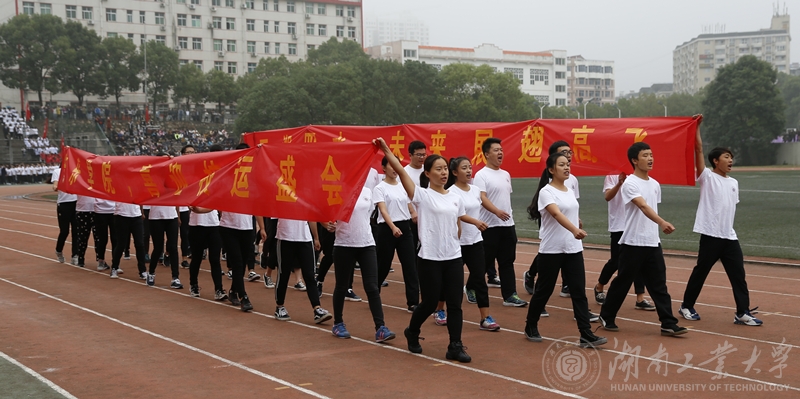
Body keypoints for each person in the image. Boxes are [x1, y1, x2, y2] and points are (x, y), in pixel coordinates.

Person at [376, 137, 471, 363]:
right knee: (429, 302)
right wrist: (386, 149)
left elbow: (457, 224)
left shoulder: (456, 198)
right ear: (427, 174)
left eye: (445, 168)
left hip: (453, 257)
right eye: (438, 169)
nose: (444, 172)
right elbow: (399, 169)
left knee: (455, 303)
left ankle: (455, 345)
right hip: (429, 257)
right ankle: (413, 331)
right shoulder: (421, 195)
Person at [599, 142, 688, 337]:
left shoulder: (655, 184)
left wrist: (657, 227)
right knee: (623, 282)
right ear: (634, 160)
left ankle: (668, 322)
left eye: (651, 155)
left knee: (659, 285)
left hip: (652, 242)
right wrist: (662, 222)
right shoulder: (630, 183)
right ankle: (607, 315)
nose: (650, 159)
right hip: (632, 242)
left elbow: (651, 207)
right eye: (645, 155)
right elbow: (642, 206)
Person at [679, 119, 762, 326]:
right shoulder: (706, 176)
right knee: (701, 272)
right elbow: (698, 149)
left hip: (729, 236)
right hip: (710, 234)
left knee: (738, 276)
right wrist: (696, 126)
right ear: (716, 161)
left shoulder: (734, 182)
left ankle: (742, 312)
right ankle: (686, 306)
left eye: (732, 157)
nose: (731, 160)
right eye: (727, 157)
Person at [523, 152, 607, 347]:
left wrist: (576, 222)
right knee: (544, 290)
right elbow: (556, 213)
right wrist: (574, 229)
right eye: (562, 165)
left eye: (568, 164)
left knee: (578, 291)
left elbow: (567, 212)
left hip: (573, 249)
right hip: (552, 249)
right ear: (551, 170)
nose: (567, 167)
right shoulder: (546, 192)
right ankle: (530, 325)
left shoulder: (569, 190)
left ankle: (586, 333)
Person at [329, 183, 396, 343]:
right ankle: (338, 323)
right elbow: (327, 215)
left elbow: (371, 214)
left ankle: (380, 327)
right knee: (342, 286)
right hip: (344, 245)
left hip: (366, 244)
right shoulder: (337, 190)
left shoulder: (368, 191)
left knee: (372, 286)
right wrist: (328, 224)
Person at [446, 157, 500, 331]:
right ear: (455, 172)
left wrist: (497, 213)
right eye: (464, 168)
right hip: (457, 242)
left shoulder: (476, 190)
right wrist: (475, 222)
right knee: (451, 280)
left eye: (470, 167)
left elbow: (483, 205)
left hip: (475, 241)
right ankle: (440, 310)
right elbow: (457, 214)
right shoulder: (451, 192)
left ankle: (485, 318)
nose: (469, 171)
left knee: (479, 279)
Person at [473, 138, 526, 307]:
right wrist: (496, 211)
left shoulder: (505, 174)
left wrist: (506, 215)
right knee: (485, 261)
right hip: (489, 226)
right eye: (496, 150)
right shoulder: (481, 175)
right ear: (486, 154)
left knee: (507, 261)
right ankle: (471, 286)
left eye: (501, 150)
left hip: (507, 225)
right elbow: (481, 198)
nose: (500, 153)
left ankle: (510, 295)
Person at [524, 141, 579, 299]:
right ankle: (532, 273)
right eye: (563, 153)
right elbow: (552, 209)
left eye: (569, 153)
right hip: (551, 217)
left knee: (568, 248)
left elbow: (573, 203)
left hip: (568, 220)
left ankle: (567, 283)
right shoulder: (549, 181)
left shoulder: (572, 179)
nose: (568, 156)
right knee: (551, 249)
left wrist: (576, 219)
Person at [592, 173, 655, 311]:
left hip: (635, 224)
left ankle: (640, 298)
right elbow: (607, 197)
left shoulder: (638, 176)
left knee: (638, 262)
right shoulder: (611, 176)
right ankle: (600, 286)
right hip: (618, 225)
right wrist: (619, 183)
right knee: (616, 261)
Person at [373, 156, 420, 312]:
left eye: (397, 165)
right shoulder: (380, 188)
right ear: (384, 168)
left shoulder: (401, 186)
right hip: (387, 228)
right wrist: (392, 227)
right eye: (391, 165)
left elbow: (408, 204)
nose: (395, 169)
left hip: (404, 227)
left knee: (410, 265)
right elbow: (383, 210)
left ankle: (413, 302)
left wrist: (414, 215)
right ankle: (374, 292)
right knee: (383, 265)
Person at [273, 218, 332, 323]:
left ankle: (317, 308)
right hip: (285, 237)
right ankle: (280, 306)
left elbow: (311, 217)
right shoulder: (282, 200)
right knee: (284, 273)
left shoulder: (306, 200)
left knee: (310, 275)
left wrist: (316, 237)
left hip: (305, 239)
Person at [219, 209, 263, 311]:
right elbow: (215, 202)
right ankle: (243, 297)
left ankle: (233, 291)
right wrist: (199, 210)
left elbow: (256, 207)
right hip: (228, 228)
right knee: (237, 263)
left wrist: (262, 228)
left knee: (242, 263)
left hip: (246, 228)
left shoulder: (251, 193)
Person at [187, 206, 227, 301]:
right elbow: (191, 205)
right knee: (197, 258)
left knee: (215, 259)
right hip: (196, 225)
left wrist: (201, 210)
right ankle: (193, 285)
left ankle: (219, 289)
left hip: (213, 225)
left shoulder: (213, 191)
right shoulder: (193, 191)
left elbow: (215, 203)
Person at [145, 206, 182, 289]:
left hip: (172, 216)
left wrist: (178, 216)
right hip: (156, 217)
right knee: (158, 248)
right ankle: (151, 273)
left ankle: (175, 278)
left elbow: (177, 198)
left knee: (173, 248)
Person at [110, 201, 146, 280]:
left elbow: (140, 199)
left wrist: (141, 212)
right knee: (121, 244)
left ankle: (142, 271)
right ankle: (114, 268)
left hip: (136, 216)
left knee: (140, 244)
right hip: (121, 215)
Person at [51, 164, 77, 264]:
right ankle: (59, 250)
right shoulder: (58, 171)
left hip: (76, 203)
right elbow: (55, 185)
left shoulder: (76, 171)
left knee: (76, 230)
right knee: (64, 231)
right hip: (64, 204)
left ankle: (75, 254)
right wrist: (55, 186)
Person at [93, 198, 116, 271]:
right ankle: (101, 261)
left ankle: (115, 263)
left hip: (114, 211)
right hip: (100, 211)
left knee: (115, 238)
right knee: (102, 238)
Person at [73, 195, 95, 267]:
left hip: (97, 210)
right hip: (83, 210)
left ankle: (100, 259)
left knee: (98, 238)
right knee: (82, 237)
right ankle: (81, 258)